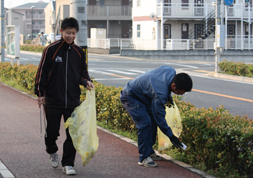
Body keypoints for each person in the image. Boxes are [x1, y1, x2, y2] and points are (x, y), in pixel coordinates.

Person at [34, 17, 94, 175]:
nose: (71, 36)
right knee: (52, 132)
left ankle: (68, 163)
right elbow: (42, 72)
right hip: (53, 100)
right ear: (61, 31)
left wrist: (87, 82)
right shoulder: (51, 50)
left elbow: (82, 72)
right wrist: (40, 93)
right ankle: (52, 150)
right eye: (68, 33)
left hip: (73, 100)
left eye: (74, 33)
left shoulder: (79, 52)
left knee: (73, 134)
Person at [120, 66, 193, 168]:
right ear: (173, 85)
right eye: (179, 93)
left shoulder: (170, 71)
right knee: (145, 123)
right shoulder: (160, 93)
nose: (179, 94)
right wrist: (171, 136)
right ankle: (143, 158)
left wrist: (169, 99)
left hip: (144, 96)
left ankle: (149, 151)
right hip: (131, 96)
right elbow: (160, 118)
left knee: (153, 121)